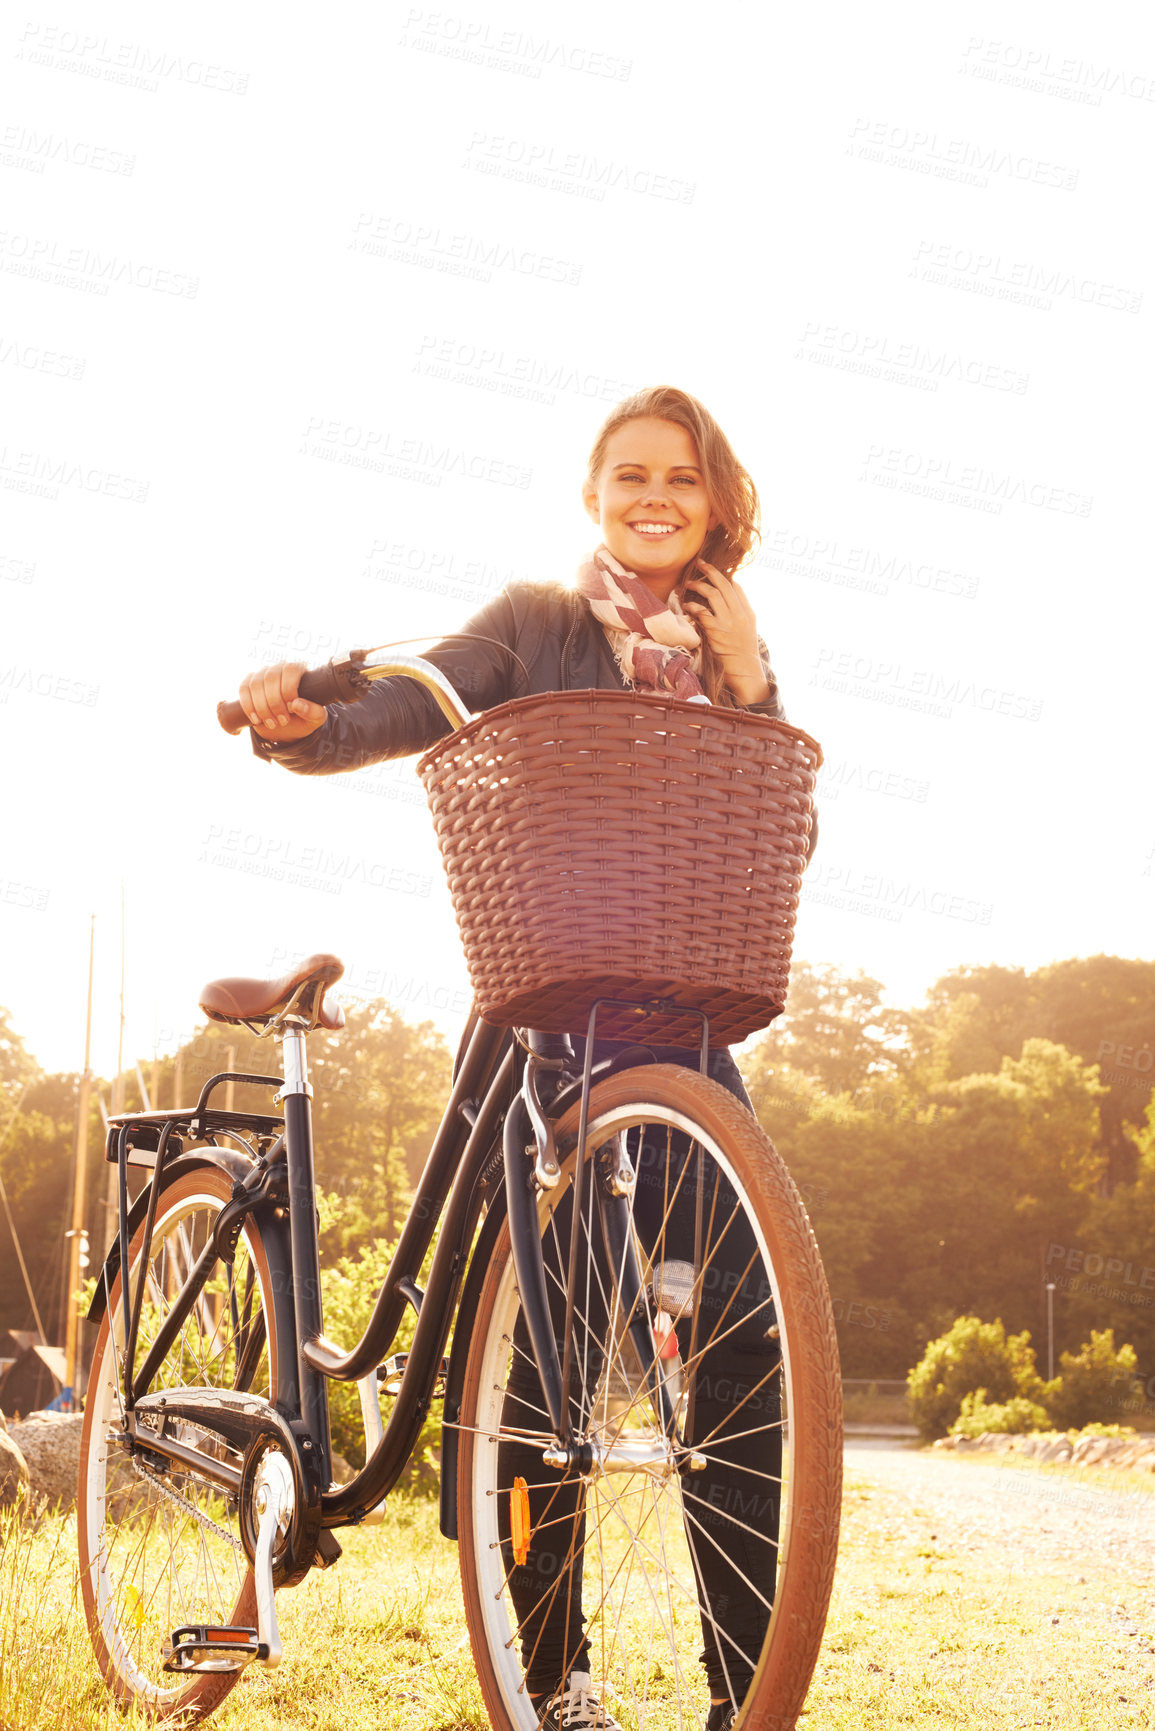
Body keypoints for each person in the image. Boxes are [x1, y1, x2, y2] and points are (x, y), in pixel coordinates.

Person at [240, 386, 814, 1731]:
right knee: (543, 1371)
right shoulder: (537, 623)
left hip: (687, 1036)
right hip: (546, 1023)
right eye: (629, 473)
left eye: (681, 475)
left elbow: (774, 835)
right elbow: (415, 698)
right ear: (592, 493)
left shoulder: (734, 648)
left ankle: (748, 1697)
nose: (653, 492)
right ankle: (553, 1680)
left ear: (719, 502)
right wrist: (306, 724)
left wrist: (754, 683)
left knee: (736, 1375)